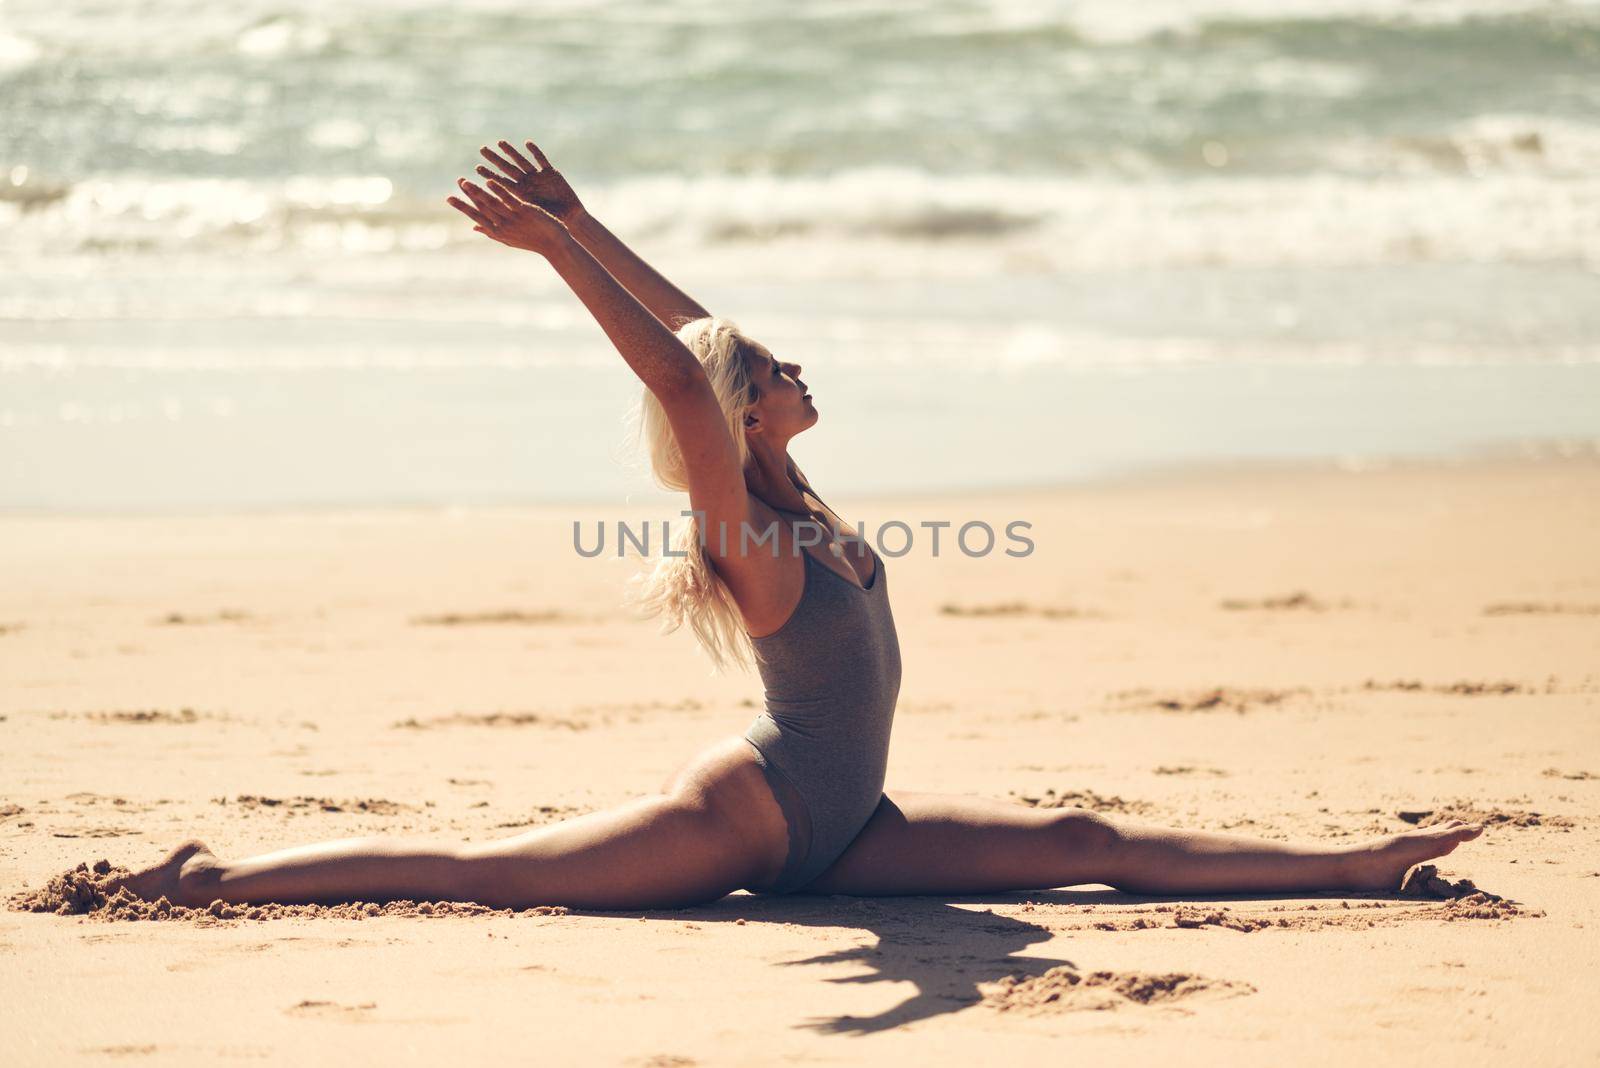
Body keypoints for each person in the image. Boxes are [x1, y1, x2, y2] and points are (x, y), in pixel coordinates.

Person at [114, 140, 1481, 911]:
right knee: (484, 874)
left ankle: (1359, 867)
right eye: (776, 372)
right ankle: (203, 882)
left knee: (1080, 842)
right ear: (752, 419)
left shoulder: (798, 499)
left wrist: (586, 219)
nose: (793, 369)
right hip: (753, 825)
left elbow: (699, 342)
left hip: (855, 826)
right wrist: (555, 263)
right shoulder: (748, 536)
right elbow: (676, 371)